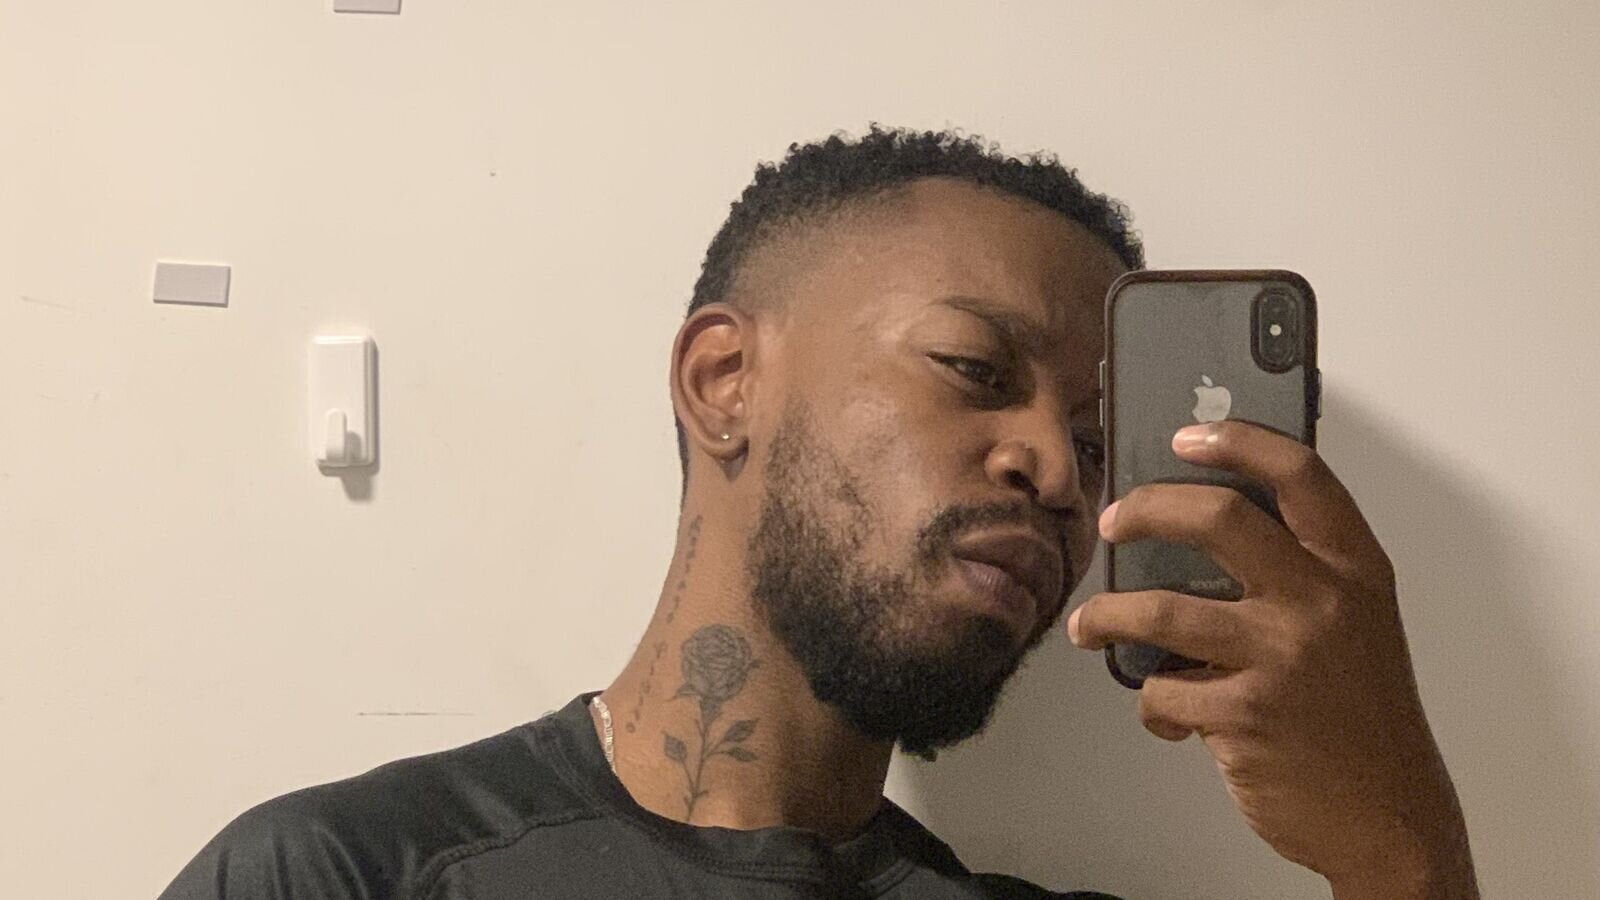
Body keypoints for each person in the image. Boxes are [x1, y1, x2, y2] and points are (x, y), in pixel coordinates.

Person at [158, 124, 1478, 899]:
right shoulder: (347, 876)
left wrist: (1402, 849)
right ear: (723, 381)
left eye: (1094, 440)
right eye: (974, 370)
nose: (1060, 475)